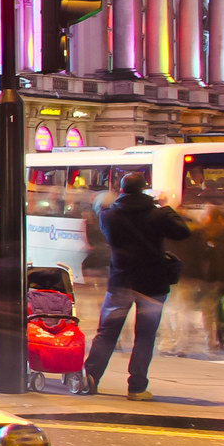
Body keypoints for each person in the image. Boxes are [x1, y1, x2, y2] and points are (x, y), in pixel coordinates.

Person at [81, 169, 191, 399]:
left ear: (121, 189)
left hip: (120, 281)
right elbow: (182, 232)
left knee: (106, 332)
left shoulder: (107, 215)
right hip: (152, 283)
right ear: (144, 189)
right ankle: (137, 387)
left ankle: (90, 378)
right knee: (145, 336)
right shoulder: (158, 215)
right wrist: (166, 207)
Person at [182, 203, 224, 352]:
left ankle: (221, 337)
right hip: (206, 279)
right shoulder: (200, 234)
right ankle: (212, 340)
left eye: (206, 214)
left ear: (216, 217)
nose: (202, 217)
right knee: (208, 310)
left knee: (222, 309)